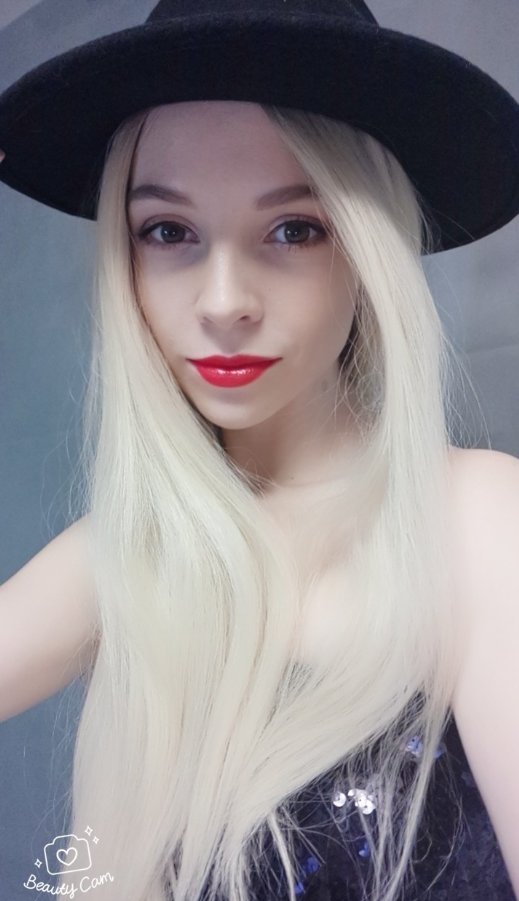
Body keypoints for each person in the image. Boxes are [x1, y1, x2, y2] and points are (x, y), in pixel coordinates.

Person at [0, 2, 518, 900]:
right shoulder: (125, 556)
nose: (223, 301)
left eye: (293, 229)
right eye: (168, 232)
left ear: (367, 249)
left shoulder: (477, 524)